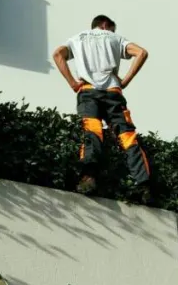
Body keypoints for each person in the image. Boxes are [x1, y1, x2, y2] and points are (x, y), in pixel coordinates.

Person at [52, 15, 151, 198]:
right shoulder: (115, 38)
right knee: (127, 135)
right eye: (112, 29)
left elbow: (58, 54)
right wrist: (125, 81)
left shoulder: (77, 38)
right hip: (113, 92)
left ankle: (89, 178)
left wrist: (73, 83)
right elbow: (142, 53)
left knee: (92, 130)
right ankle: (143, 185)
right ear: (105, 25)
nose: (112, 32)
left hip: (88, 92)